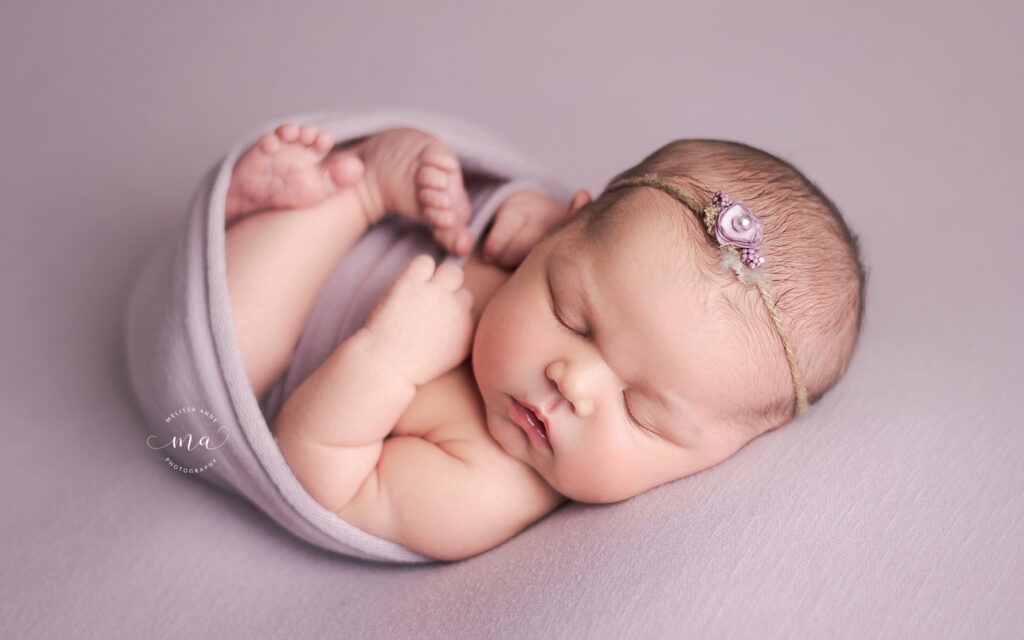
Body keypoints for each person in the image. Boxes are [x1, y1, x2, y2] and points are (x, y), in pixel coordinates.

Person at [224, 123, 864, 561]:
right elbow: (528, 230)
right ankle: (346, 183)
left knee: (244, 341)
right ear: (562, 229)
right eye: (572, 317)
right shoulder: (541, 251)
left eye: (640, 412)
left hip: (284, 326)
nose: (575, 383)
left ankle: (352, 194)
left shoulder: (486, 488)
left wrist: (383, 358)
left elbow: (314, 476)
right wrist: (523, 214)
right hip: (378, 254)